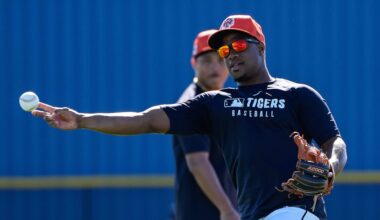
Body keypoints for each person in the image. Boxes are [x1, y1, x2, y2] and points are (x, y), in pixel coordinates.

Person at [32, 14, 347, 220]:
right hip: (252, 214)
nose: (231, 54)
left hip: (296, 210)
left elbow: (337, 142)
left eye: (238, 44)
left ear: (260, 47)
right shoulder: (214, 103)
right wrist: (83, 119)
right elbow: (147, 119)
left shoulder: (298, 95)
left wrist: (331, 167)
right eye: (224, 51)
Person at [170, 30, 238, 220]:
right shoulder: (191, 104)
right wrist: (227, 209)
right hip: (203, 212)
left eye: (220, 59)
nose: (215, 66)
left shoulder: (220, 101)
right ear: (194, 63)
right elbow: (198, 162)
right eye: (206, 60)